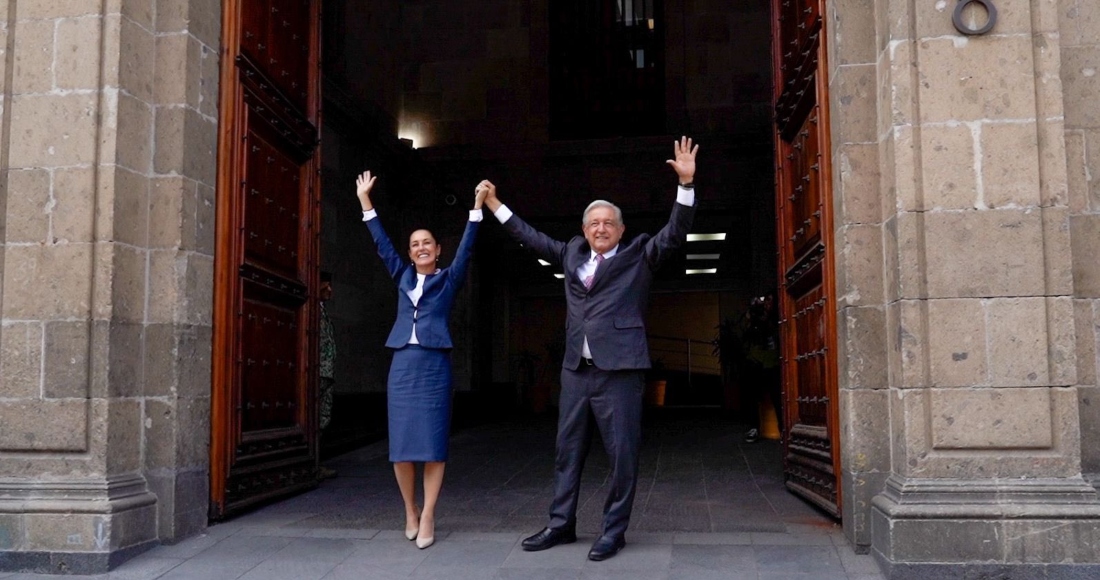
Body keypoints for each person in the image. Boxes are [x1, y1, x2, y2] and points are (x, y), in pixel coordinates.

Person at [480, 136, 699, 562]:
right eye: (593, 223)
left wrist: (685, 185)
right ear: (584, 230)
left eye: (608, 223)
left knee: (621, 455)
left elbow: (674, 234)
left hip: (620, 371)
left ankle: (612, 532)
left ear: (620, 230)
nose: (600, 228)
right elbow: (530, 237)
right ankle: (561, 525)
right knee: (567, 451)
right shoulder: (570, 254)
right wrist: (494, 205)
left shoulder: (640, 254)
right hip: (576, 371)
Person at [355, 170, 487, 550]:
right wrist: (367, 202)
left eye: (427, 242)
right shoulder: (400, 276)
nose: (421, 247)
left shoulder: (449, 279)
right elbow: (381, 244)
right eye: (415, 244)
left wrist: (476, 209)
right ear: (410, 252)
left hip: (433, 368)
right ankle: (409, 511)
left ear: (437, 249)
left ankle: (428, 512)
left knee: (432, 445)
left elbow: (466, 249)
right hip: (403, 366)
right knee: (401, 447)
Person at [740, 290, 781, 444]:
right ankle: (754, 428)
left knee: (777, 397)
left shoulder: (777, 318)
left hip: (772, 363)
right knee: (752, 395)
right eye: (765, 301)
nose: (766, 304)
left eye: (769, 300)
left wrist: (766, 318)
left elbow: (775, 334)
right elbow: (747, 337)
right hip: (756, 361)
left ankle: (783, 429)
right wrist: (751, 318)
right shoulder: (755, 318)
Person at [318, 272, 338, 478]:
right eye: (326, 286)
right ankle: (311, 465)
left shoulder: (322, 312)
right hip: (317, 373)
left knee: (323, 418)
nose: (330, 290)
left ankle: (317, 463)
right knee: (314, 418)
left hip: (326, 373)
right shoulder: (309, 311)